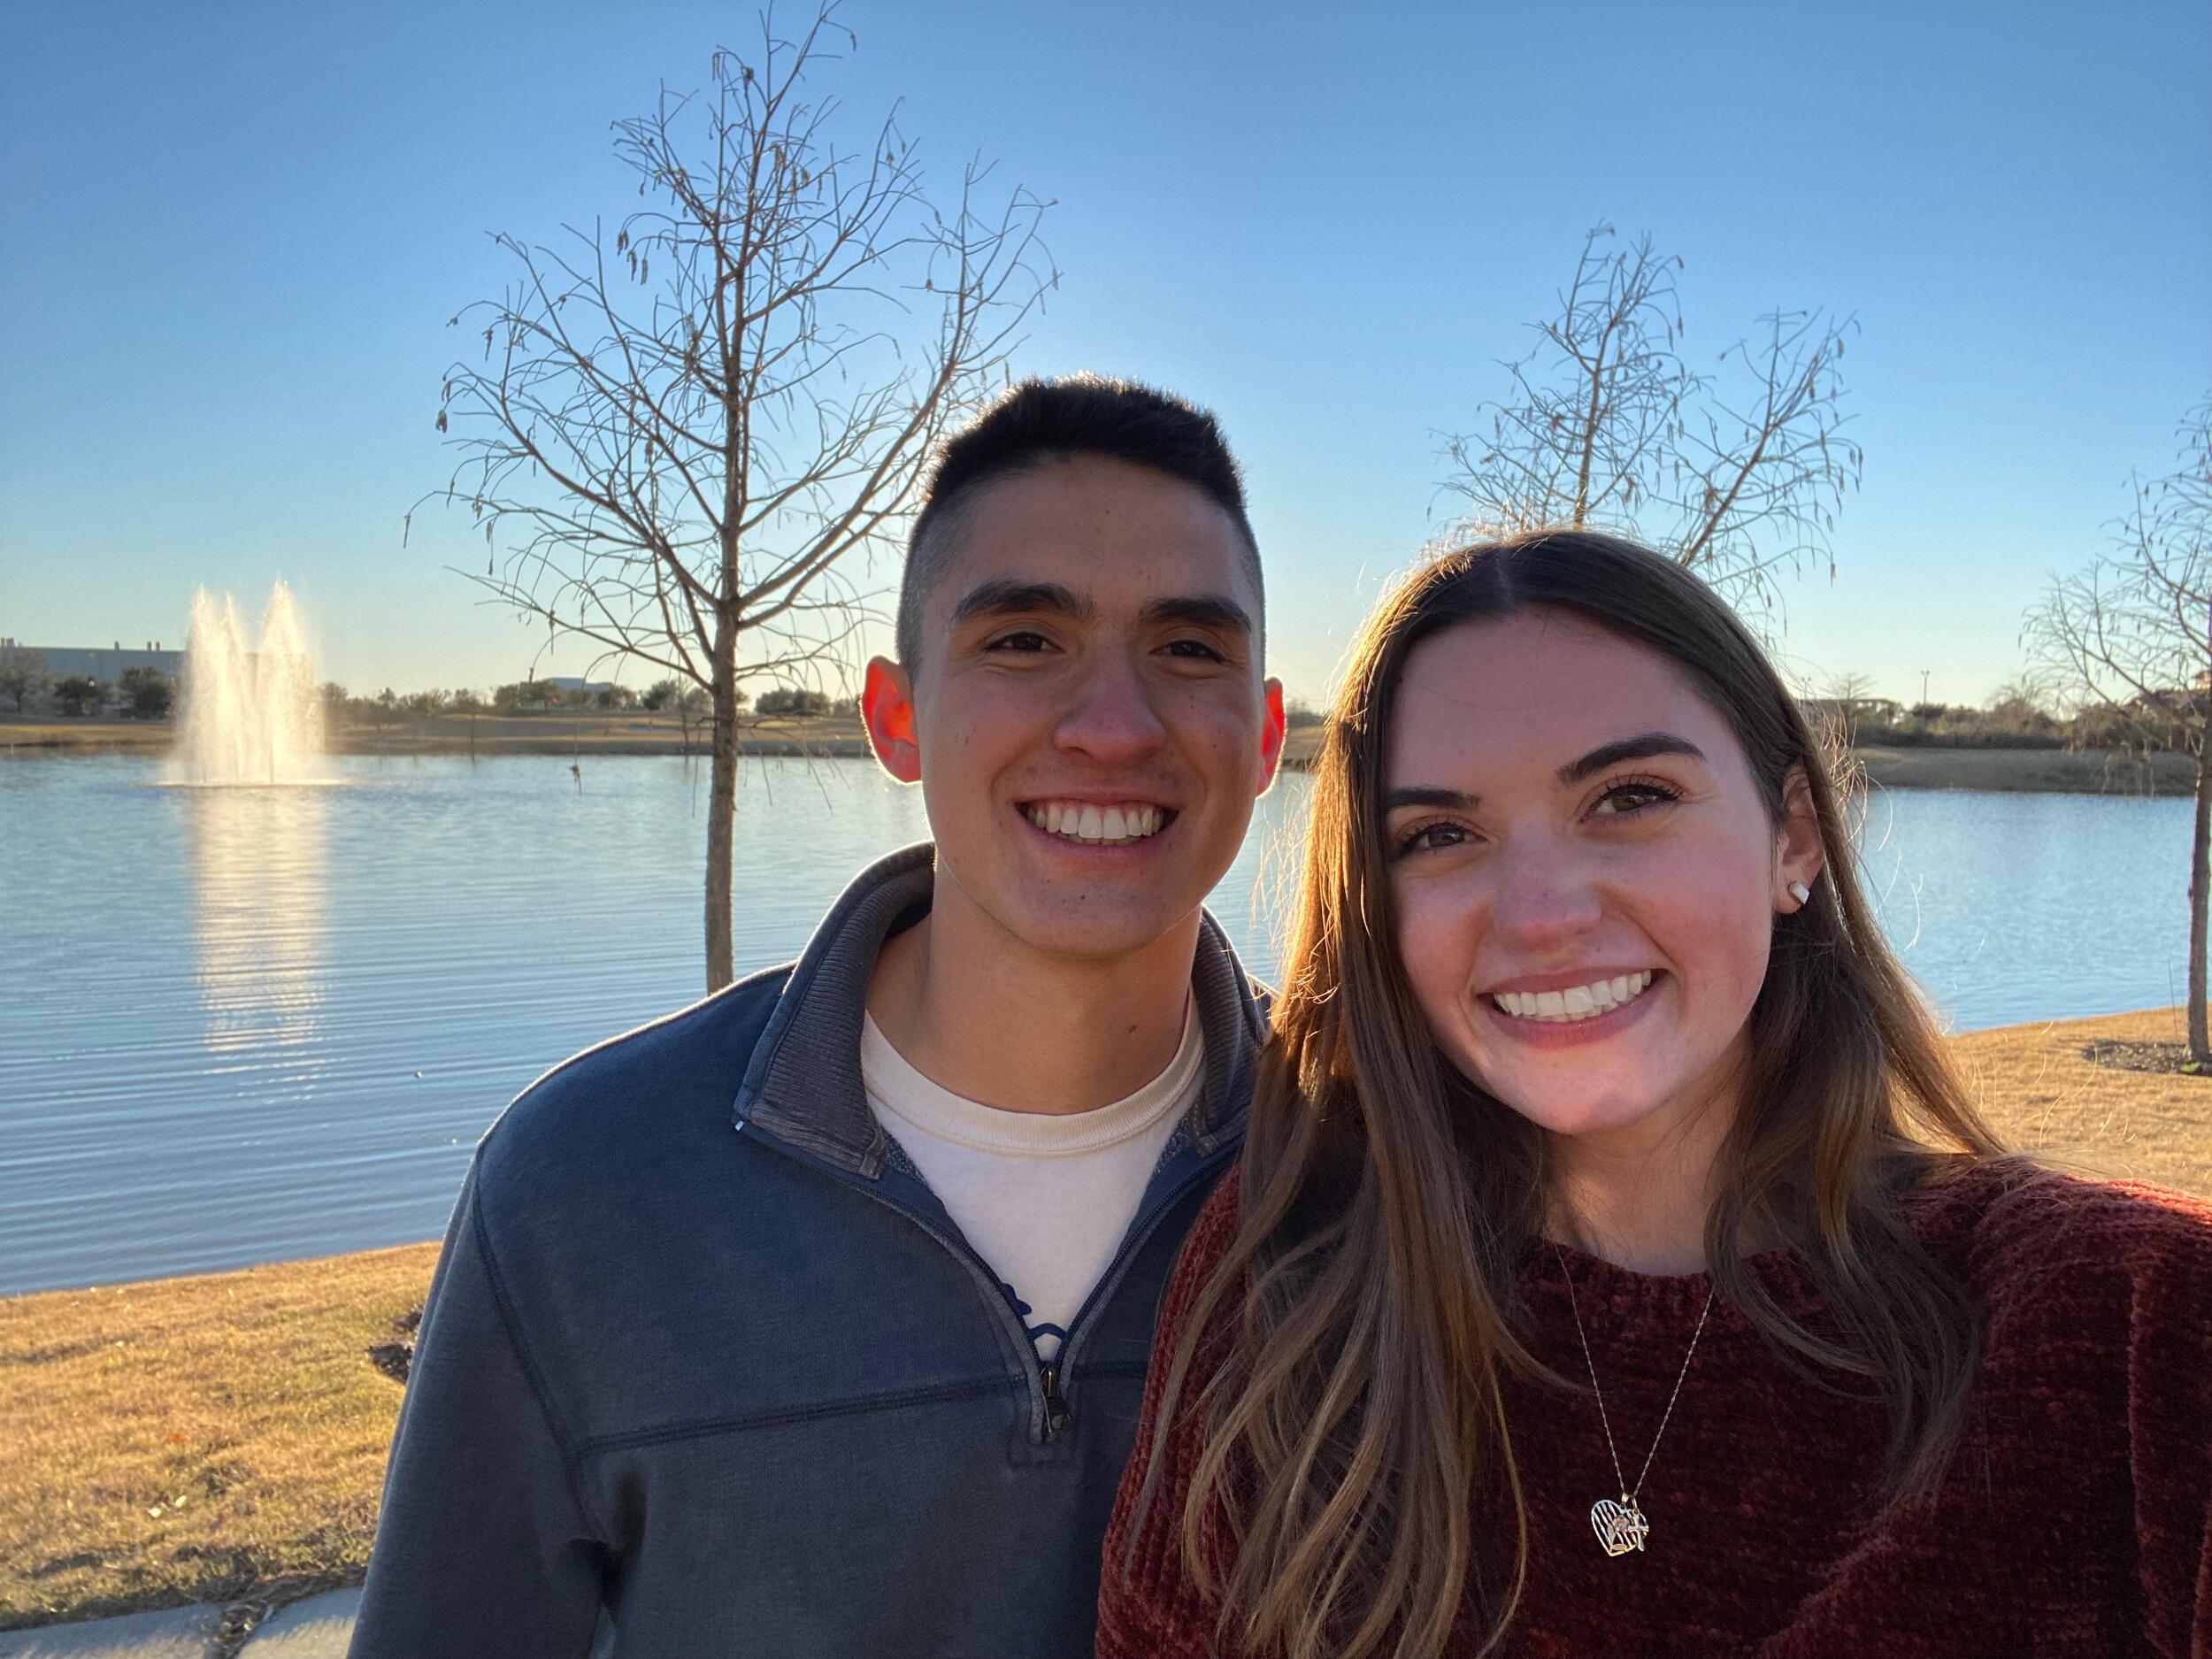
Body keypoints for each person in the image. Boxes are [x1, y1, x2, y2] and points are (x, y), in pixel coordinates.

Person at [1100, 530, 2212, 1659]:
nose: (1539, 914)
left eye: (1629, 797)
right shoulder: (1291, 1293)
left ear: (1794, 838)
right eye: (1440, 833)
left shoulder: (2136, 1327)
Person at [349, 375, 1286, 1658]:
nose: (1115, 725)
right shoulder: (584, 1187)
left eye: (1188, 648)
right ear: (897, 719)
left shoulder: (1387, 1164)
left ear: (1266, 732)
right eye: (1024, 639)